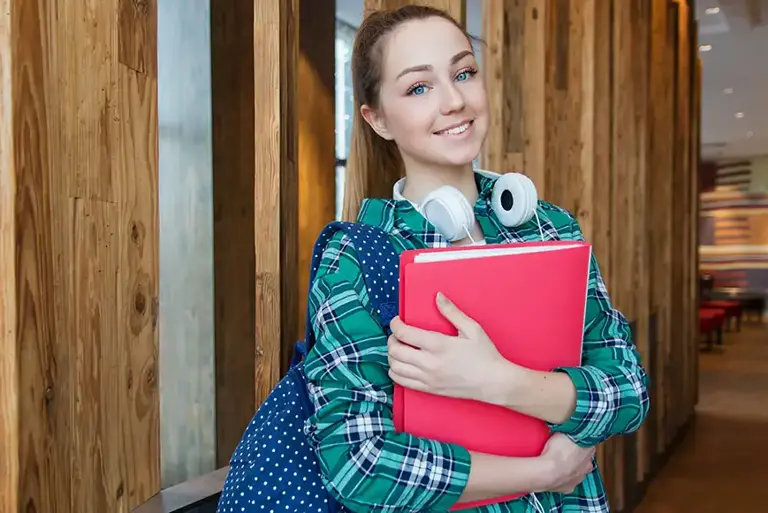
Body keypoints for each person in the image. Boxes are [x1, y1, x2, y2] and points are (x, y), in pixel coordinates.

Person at [303, 5, 649, 512]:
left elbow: (629, 391)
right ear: (377, 119)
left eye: (464, 73)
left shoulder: (549, 227)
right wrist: (544, 471)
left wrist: (499, 381)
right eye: (419, 88)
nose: (455, 100)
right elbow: (359, 464)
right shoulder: (354, 259)